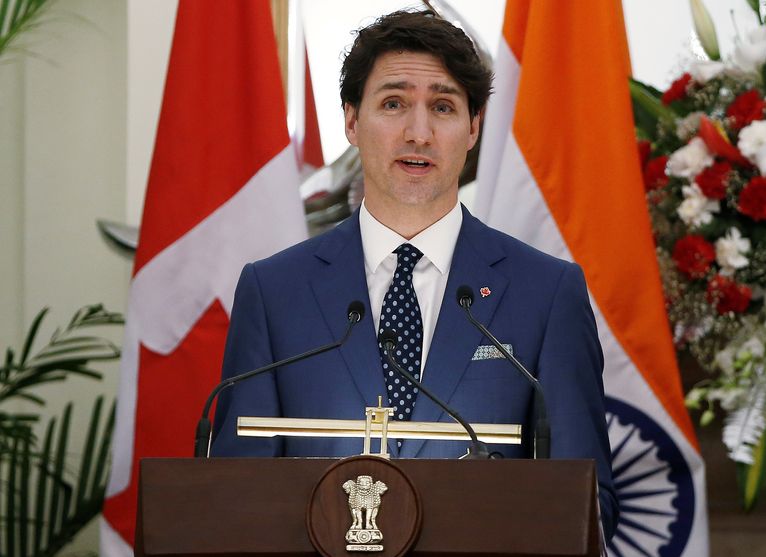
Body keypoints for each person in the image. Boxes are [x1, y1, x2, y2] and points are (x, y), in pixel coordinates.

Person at [211, 9, 618, 540]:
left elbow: (588, 503)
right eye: (394, 103)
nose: (418, 132)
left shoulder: (547, 293)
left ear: (473, 128)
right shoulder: (272, 292)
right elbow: (235, 496)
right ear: (352, 122)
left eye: (443, 107)